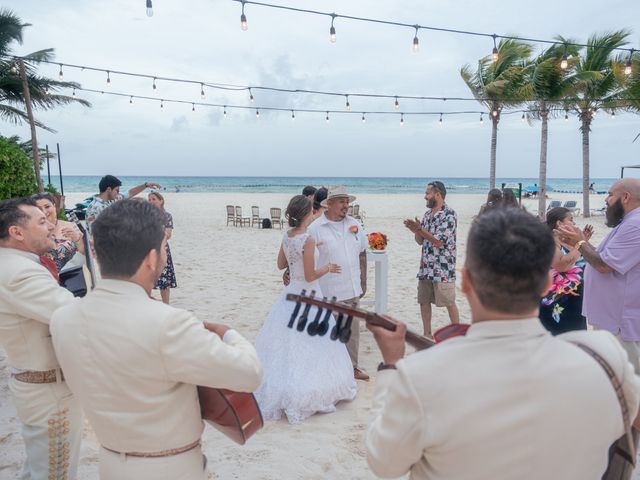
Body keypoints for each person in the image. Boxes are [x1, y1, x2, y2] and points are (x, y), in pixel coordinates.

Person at [366, 207, 640, 480]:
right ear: (546, 283)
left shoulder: (420, 377)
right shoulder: (605, 357)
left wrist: (391, 367)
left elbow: (384, 465)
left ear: (466, 281)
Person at [50, 199, 262, 479]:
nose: (164, 255)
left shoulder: (63, 319)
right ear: (151, 258)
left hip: (111, 462)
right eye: (163, 248)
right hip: (170, 467)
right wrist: (229, 334)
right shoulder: (168, 323)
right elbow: (250, 374)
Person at [255, 195, 357, 423]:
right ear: (307, 214)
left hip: (291, 294)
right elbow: (311, 275)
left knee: (287, 342)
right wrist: (328, 267)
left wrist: (305, 253)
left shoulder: (288, 235)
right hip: (309, 294)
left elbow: (281, 265)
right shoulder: (308, 238)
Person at [0, 197, 82, 480]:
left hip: (40, 384)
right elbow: (74, 315)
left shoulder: (18, 264)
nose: (51, 226)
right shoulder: (19, 272)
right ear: (17, 232)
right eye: (42, 221)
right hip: (49, 393)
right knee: (54, 472)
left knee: (41, 467)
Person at [557, 178, 640, 372]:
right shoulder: (630, 222)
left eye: (610, 195)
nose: (606, 199)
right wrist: (580, 241)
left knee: (627, 384)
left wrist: (579, 243)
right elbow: (605, 258)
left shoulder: (635, 225)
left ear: (626, 197)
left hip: (621, 321)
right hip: (614, 318)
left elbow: (604, 265)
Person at [308, 186, 369, 381]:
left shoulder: (354, 224)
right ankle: (328, 371)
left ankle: (352, 368)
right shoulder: (316, 228)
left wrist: (363, 281)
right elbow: (304, 256)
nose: (346, 205)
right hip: (328, 291)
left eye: (347, 201)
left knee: (352, 333)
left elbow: (362, 252)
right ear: (330, 204)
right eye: (342, 201)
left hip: (351, 288)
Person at [403, 181, 459, 337]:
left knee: (448, 302)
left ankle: (459, 334)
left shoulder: (449, 214)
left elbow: (439, 241)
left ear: (438, 195)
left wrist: (420, 229)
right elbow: (420, 241)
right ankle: (427, 334)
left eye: (427, 193)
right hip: (426, 266)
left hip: (443, 268)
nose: (425, 197)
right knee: (424, 300)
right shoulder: (427, 215)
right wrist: (415, 230)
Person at [539, 207, 593, 335]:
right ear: (559, 223)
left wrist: (583, 242)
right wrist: (581, 244)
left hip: (574, 300)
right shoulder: (549, 241)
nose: (574, 223)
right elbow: (561, 265)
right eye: (571, 220)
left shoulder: (567, 241)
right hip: (556, 302)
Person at [86, 174, 161, 232]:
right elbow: (94, 233)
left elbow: (130, 193)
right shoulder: (94, 208)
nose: (118, 193)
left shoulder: (113, 199)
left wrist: (146, 185)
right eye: (116, 190)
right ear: (109, 189)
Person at [32, 192, 85, 272]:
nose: (44, 211)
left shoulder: (72, 226)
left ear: (54, 205)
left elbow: (86, 253)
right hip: (44, 278)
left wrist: (77, 239)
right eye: (39, 209)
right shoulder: (32, 232)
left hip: (72, 277)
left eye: (47, 206)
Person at [148, 191, 177, 304]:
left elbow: (168, 234)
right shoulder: (145, 215)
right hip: (147, 249)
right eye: (149, 199)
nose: (151, 201)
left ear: (161, 201)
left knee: (164, 281)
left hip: (162, 249)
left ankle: (166, 305)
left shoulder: (167, 216)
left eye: (154, 199)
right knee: (147, 278)